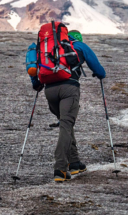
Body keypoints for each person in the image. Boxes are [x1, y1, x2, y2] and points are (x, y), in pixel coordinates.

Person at [31, 28, 106, 182]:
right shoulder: (79, 45)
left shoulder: (50, 46)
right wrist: (99, 74)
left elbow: (35, 67)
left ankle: (75, 163)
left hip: (49, 90)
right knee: (66, 125)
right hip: (69, 89)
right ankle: (60, 169)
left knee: (66, 124)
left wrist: (36, 84)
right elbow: (99, 70)